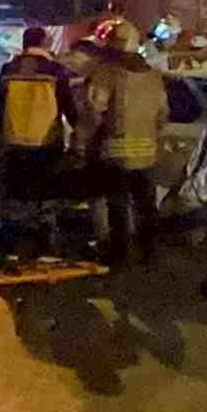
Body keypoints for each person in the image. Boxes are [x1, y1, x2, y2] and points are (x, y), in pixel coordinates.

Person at [80, 21, 169, 269]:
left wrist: (81, 141)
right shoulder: (153, 76)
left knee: (118, 205)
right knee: (146, 205)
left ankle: (120, 256)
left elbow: (93, 110)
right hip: (147, 154)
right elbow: (163, 115)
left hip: (116, 153)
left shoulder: (108, 72)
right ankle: (150, 252)